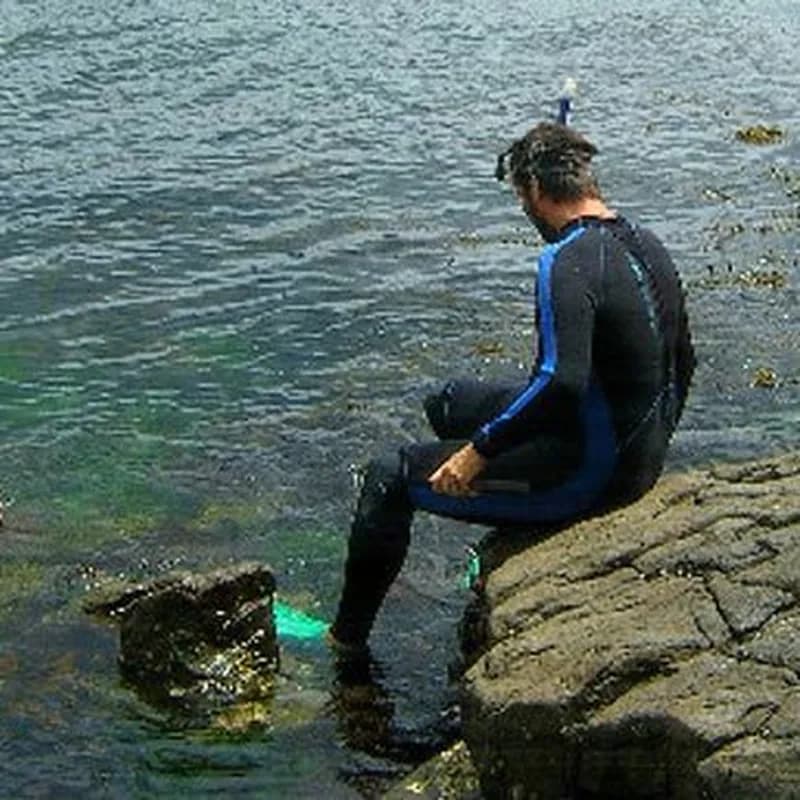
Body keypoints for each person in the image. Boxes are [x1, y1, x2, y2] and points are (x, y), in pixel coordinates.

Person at [329, 120, 695, 651]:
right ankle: (478, 528)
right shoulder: (647, 243)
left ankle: (346, 646)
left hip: (592, 474)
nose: (525, 212)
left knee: (388, 477)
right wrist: (650, 447)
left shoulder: (565, 261)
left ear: (537, 191)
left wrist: (478, 454)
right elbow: (684, 362)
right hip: (631, 450)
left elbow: (560, 382)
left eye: (522, 198)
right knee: (450, 402)